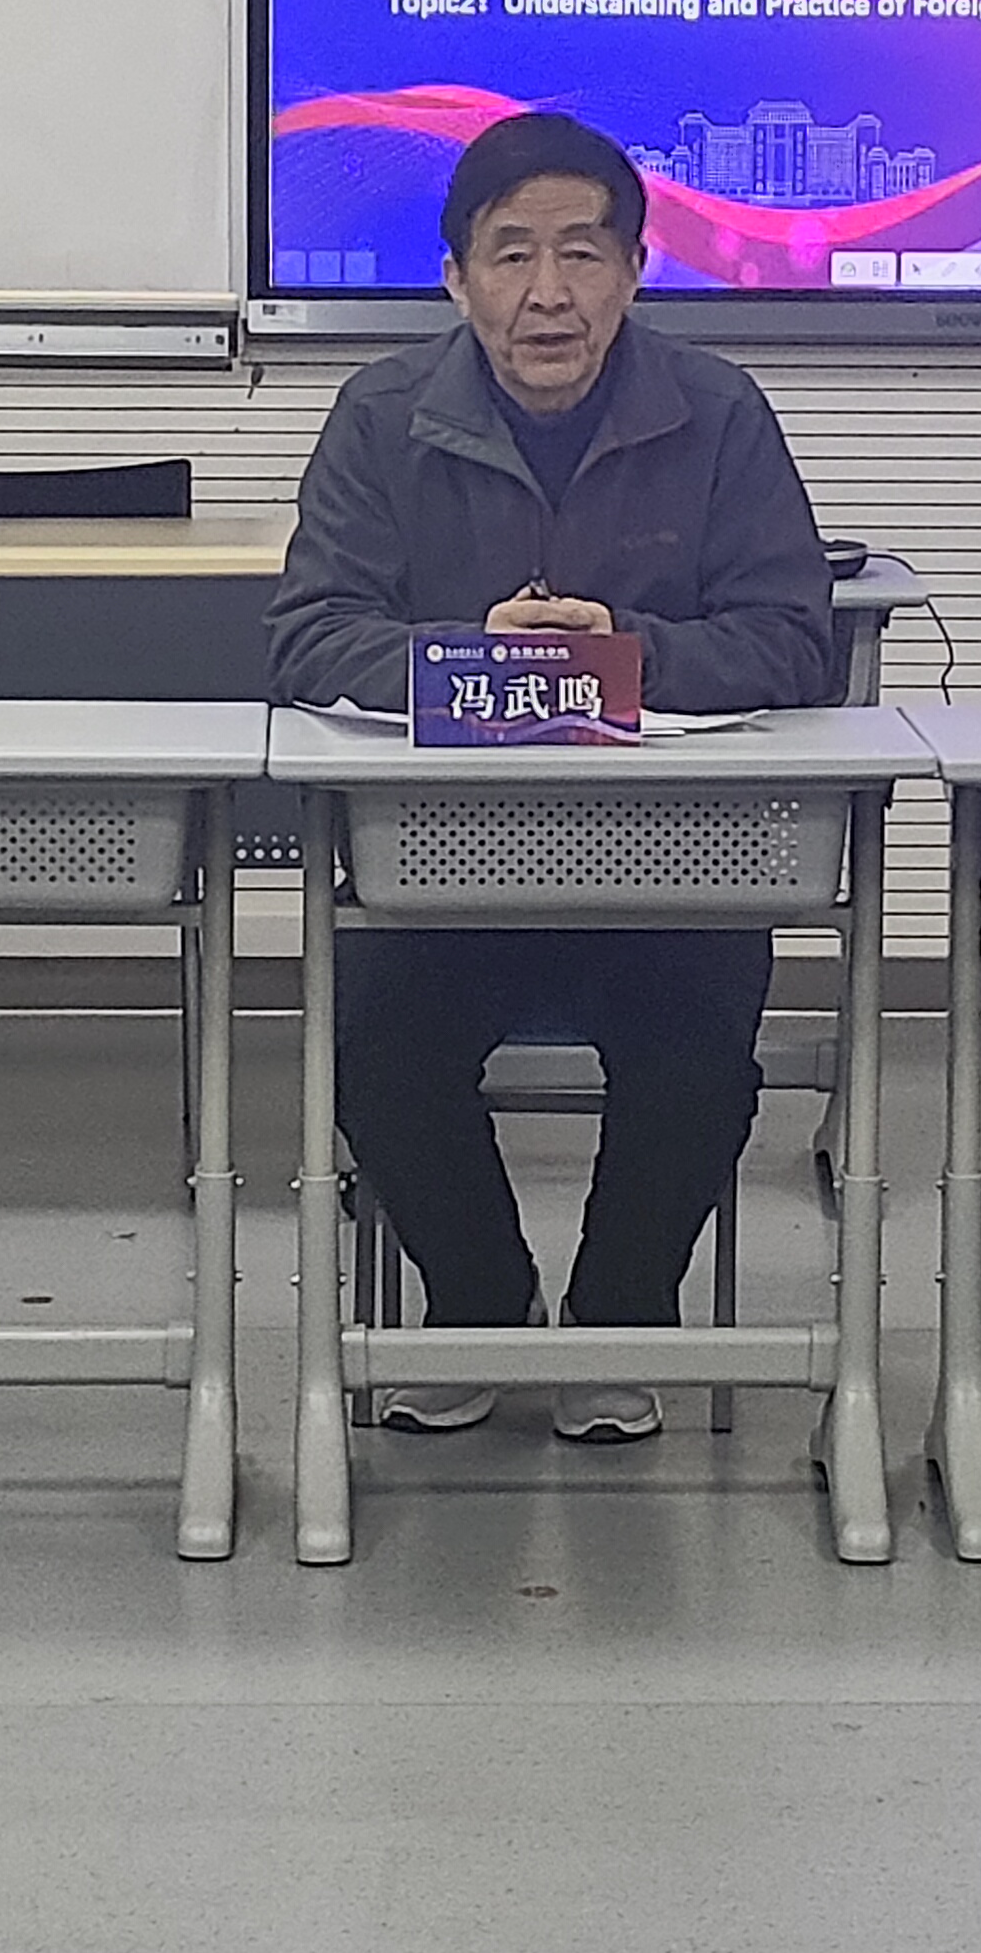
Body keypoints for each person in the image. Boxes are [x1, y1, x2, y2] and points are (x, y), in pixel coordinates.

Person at [269, 113, 838, 1445]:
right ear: (456, 277)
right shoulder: (381, 417)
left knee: (701, 1064)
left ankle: (618, 1319)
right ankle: (477, 1303)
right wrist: (466, 661)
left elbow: (791, 638)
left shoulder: (718, 413)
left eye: (582, 254)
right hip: (440, 879)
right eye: (511, 254)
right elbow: (308, 636)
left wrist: (620, 661)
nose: (548, 292)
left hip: (672, 879)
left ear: (635, 271)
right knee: (372, 1053)